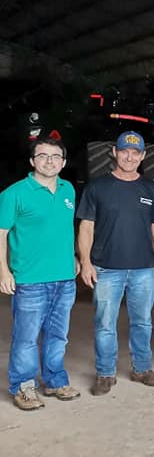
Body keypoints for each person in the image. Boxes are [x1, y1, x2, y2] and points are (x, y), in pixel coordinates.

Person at [77, 131, 154, 396]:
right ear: (114, 153)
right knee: (105, 323)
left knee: (142, 321)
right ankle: (105, 373)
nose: (129, 157)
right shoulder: (97, 188)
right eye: (124, 151)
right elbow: (86, 228)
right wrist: (85, 262)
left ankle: (142, 368)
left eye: (135, 152)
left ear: (143, 156)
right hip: (106, 269)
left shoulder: (150, 189)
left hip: (143, 268)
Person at [0, 137, 80, 410]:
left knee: (58, 335)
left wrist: (73, 258)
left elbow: (63, 230)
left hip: (64, 279)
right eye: (43, 156)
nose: (50, 161)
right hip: (30, 280)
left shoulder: (68, 190)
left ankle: (55, 381)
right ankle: (23, 387)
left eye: (56, 156)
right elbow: (1, 234)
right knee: (26, 338)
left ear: (64, 162)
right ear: (32, 161)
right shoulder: (14, 193)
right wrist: (4, 271)